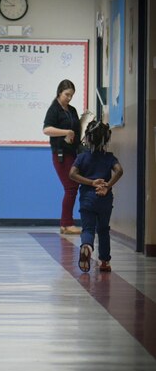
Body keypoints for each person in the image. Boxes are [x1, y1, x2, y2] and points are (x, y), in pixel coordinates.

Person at [69, 120, 123, 272]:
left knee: (88, 229)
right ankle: (105, 262)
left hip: (88, 198)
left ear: (87, 137)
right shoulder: (109, 157)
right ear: (106, 140)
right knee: (104, 229)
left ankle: (86, 246)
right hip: (105, 198)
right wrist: (107, 185)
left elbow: (72, 174)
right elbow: (119, 171)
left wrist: (91, 182)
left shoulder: (82, 157)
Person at [43, 79, 81, 235]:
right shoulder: (54, 109)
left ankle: (66, 224)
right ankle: (66, 223)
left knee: (73, 187)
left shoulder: (72, 110)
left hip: (72, 152)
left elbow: (76, 129)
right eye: (67, 94)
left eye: (71, 95)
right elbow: (46, 130)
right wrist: (66, 132)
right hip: (60, 154)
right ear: (59, 92)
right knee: (71, 187)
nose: (69, 98)